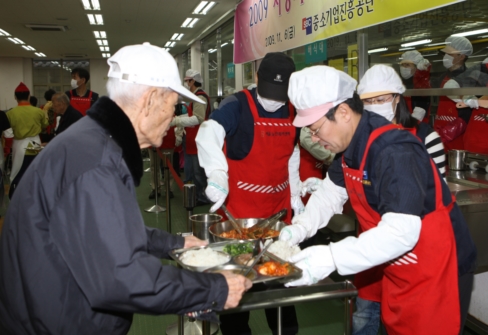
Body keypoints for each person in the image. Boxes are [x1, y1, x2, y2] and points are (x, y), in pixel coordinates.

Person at [0, 42, 251, 335]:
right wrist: (216, 288)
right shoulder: (96, 163)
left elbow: (102, 231)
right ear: (150, 99)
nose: (172, 117)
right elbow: (121, 279)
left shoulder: (93, 142)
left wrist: (174, 245)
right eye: (171, 107)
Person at [281, 65, 476, 335]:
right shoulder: (348, 148)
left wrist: (331, 257)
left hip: (438, 270)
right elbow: (329, 194)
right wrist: (298, 229)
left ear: (344, 113)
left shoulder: (394, 151)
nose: (314, 139)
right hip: (398, 266)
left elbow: (401, 232)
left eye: (316, 130)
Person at [196, 52, 300, 335]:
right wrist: (217, 174)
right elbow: (209, 131)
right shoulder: (236, 105)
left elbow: (292, 152)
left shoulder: (294, 107)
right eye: (270, 91)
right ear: (256, 78)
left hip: (277, 218)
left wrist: (296, 193)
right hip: (238, 219)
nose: (276, 100)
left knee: (279, 288)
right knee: (235, 291)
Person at [349, 64, 448, 334]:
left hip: (414, 250)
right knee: (364, 315)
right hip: (372, 244)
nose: (375, 106)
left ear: (397, 99)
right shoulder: (359, 142)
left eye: (381, 100)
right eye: (368, 101)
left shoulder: (426, 137)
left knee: (408, 321)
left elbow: (436, 192)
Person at [171, 69, 211, 205]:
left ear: (193, 81)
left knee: (198, 172)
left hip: (198, 140)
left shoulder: (200, 97)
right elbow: (191, 116)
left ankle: (202, 197)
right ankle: (195, 195)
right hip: (191, 139)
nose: (187, 84)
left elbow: (198, 119)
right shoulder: (195, 97)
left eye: (188, 81)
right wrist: (179, 119)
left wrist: (177, 121)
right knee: (191, 171)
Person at [6, 82, 48, 199]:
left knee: (17, 173)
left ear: (15, 97)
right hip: (35, 143)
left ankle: (16, 198)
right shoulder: (38, 111)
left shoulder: (10, 113)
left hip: (18, 145)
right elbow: (45, 125)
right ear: (29, 96)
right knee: (34, 171)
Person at [431, 35, 473, 151]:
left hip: (457, 139)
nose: (445, 57)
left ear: (462, 56)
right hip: (439, 133)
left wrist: (446, 133)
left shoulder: (469, 79)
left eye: (450, 54)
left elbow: (466, 115)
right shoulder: (441, 78)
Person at [399, 50, 431, 123]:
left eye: (407, 65)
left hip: (417, 126)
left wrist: (409, 126)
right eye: (402, 65)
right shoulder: (401, 84)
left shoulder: (421, 85)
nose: (404, 67)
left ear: (416, 67)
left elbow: (420, 111)